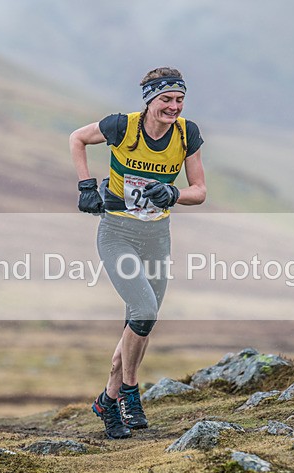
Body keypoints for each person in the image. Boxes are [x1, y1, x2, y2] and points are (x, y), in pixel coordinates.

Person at [69, 67, 207, 439]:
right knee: (144, 311)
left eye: (179, 100)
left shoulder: (186, 134)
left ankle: (107, 401)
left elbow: (199, 190)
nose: (174, 107)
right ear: (149, 100)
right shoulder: (122, 127)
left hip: (157, 237)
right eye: (166, 100)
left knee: (140, 324)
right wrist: (85, 186)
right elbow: (77, 138)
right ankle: (129, 391)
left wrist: (174, 195)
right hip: (117, 232)